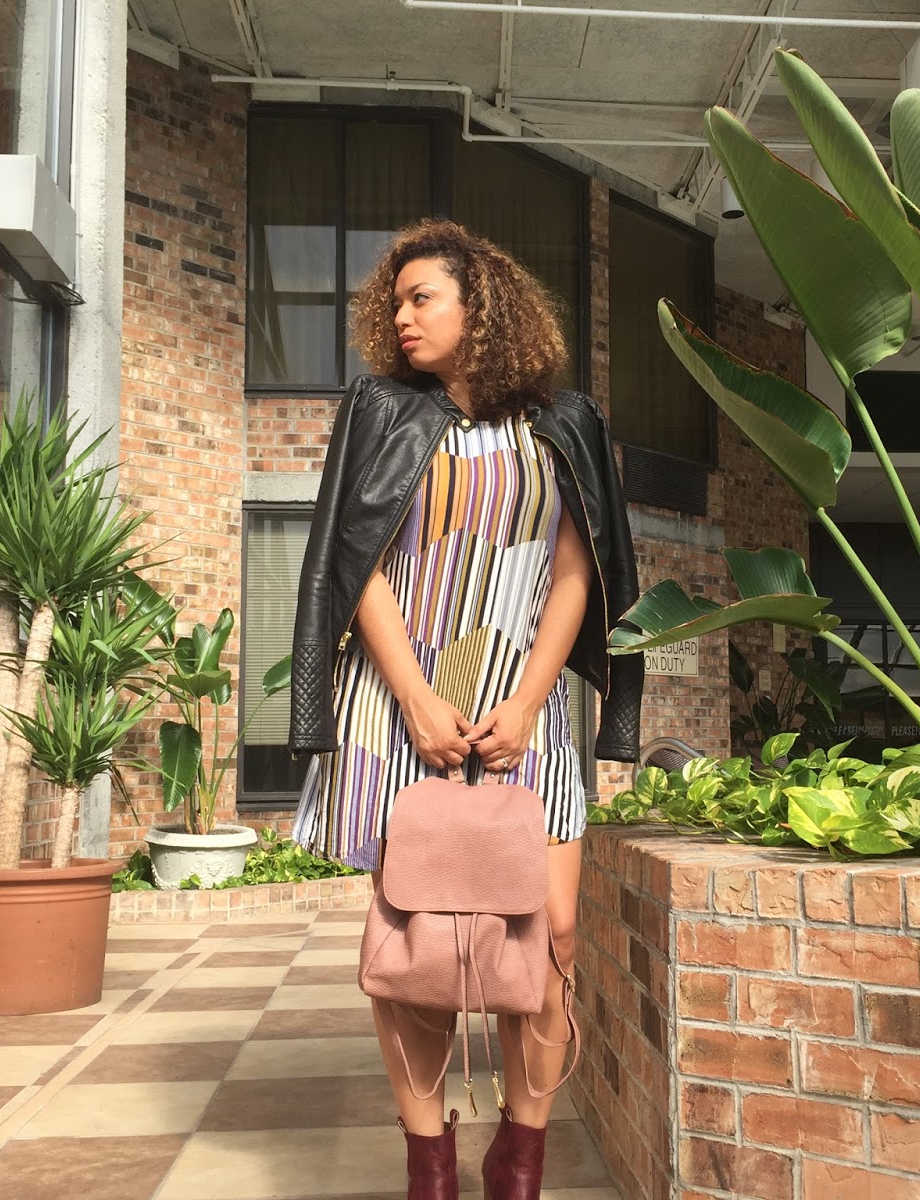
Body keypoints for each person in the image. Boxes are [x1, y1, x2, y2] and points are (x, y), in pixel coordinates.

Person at [288, 218, 643, 1200]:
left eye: (422, 298)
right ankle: (429, 1161)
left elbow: (579, 572)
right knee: (420, 949)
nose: (401, 317)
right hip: (400, 696)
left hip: (528, 702)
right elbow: (355, 562)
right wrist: (413, 695)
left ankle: (520, 1155)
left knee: (553, 934)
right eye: (395, 302)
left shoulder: (566, 421)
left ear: (478, 304)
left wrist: (528, 700)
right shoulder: (378, 409)